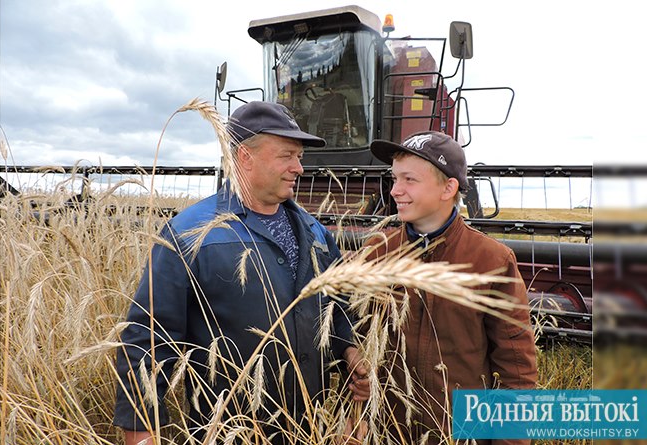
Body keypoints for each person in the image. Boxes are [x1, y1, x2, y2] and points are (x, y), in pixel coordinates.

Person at [114, 101, 369, 445]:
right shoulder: (190, 235)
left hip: (311, 428)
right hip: (227, 431)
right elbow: (148, 339)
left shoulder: (315, 232)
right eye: (286, 155)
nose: (298, 167)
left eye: (300, 157)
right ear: (245, 157)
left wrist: (349, 349)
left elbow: (336, 305)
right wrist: (141, 430)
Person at [364, 131, 538, 445]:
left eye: (409, 180)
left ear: (449, 188)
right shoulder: (379, 253)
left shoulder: (492, 261)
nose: (395, 191)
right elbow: (362, 347)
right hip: (389, 432)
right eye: (394, 179)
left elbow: (516, 370)